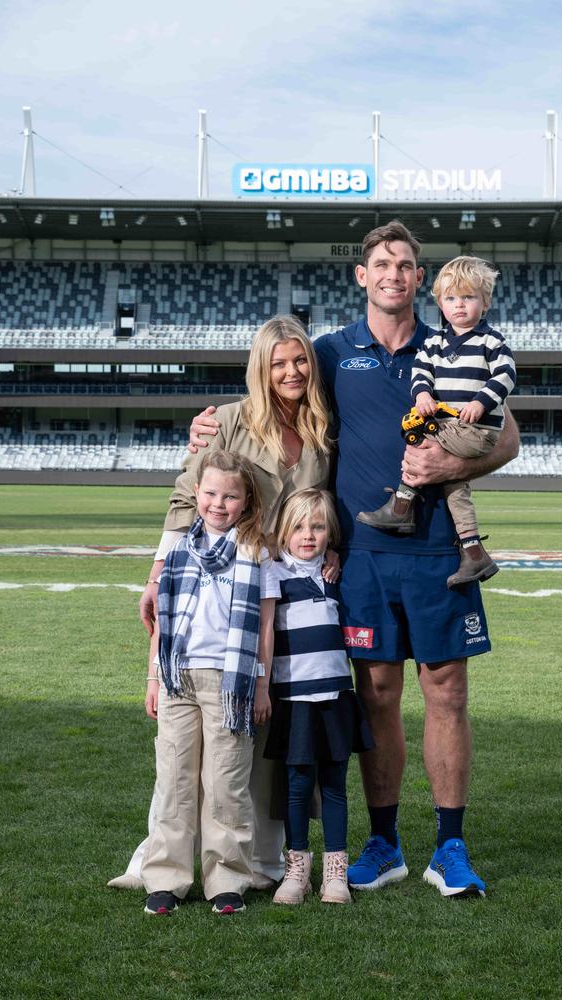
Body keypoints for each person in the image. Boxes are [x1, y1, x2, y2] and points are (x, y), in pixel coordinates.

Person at [187, 221, 520, 899]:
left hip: (436, 552)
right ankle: (385, 841)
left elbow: (508, 437)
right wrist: (213, 420)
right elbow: (275, 395)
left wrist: (453, 457)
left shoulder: (450, 346)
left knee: (448, 694)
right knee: (375, 697)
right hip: (360, 553)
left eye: (405, 264)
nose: (394, 273)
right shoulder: (333, 352)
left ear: (419, 280)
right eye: (382, 264)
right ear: (362, 276)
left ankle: (450, 845)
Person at [108, 315, 334, 893]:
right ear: (260, 367)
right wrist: (159, 572)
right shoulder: (227, 421)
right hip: (232, 599)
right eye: (278, 362)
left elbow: (323, 505)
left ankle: (263, 857)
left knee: (271, 731)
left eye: (300, 360)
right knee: (210, 742)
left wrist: (334, 557)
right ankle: (165, 860)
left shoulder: (321, 430)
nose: (291, 371)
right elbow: (189, 495)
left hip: (294, 597)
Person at [142, 450, 280, 916]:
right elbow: (162, 622)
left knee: (225, 785)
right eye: (210, 494)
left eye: (230, 496)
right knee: (176, 780)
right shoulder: (178, 548)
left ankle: (227, 881)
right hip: (178, 680)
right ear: (197, 494)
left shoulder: (255, 551)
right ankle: (166, 879)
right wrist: (153, 679)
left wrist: (260, 685)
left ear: (246, 502)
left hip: (230, 685)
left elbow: (264, 627)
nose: (219, 504)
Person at [356, 254, 517, 589]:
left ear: (484, 302)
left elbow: (505, 376)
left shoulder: (491, 341)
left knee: (419, 435)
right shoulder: (434, 342)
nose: (460, 306)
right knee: (454, 485)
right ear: (441, 303)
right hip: (454, 427)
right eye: (451, 298)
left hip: (478, 429)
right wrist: (423, 396)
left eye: (469, 297)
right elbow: (421, 373)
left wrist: (480, 401)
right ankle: (473, 551)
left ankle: (402, 505)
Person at [264, 488, 374, 906]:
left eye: (318, 526)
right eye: (298, 527)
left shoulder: (336, 576)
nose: (307, 535)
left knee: (334, 786)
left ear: (331, 534)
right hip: (293, 701)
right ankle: (297, 871)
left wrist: (338, 559)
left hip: (334, 698)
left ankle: (335, 873)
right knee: (296, 785)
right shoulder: (273, 574)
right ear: (284, 531)